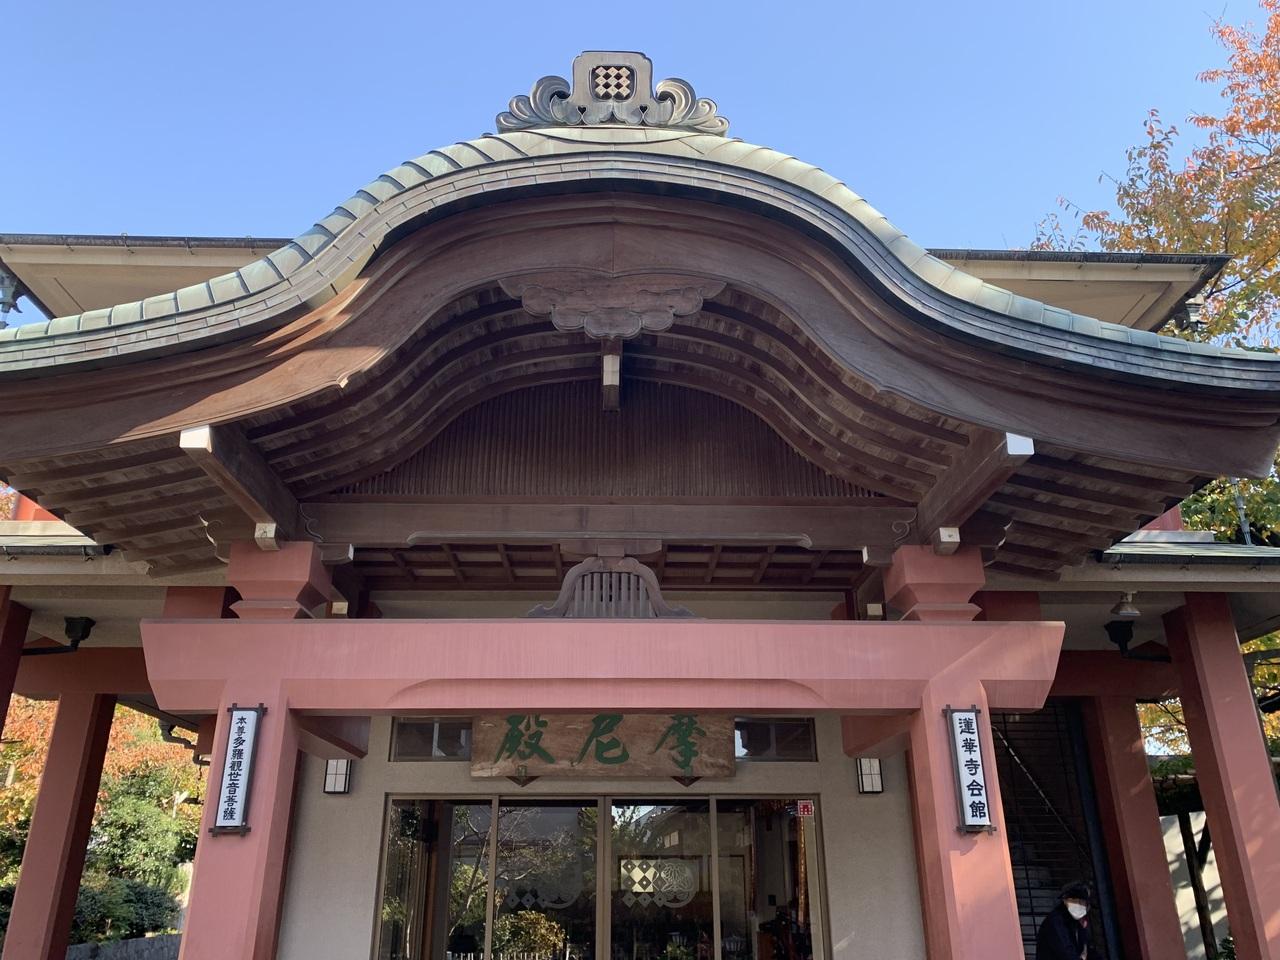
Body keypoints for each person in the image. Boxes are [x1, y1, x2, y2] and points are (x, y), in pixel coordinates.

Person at [1035, 882, 1099, 960]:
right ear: (1066, 900)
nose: (1081, 906)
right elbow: (1067, 953)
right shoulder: (1056, 922)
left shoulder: (1076, 923)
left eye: (1084, 904)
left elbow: (1089, 950)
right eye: (1077, 901)